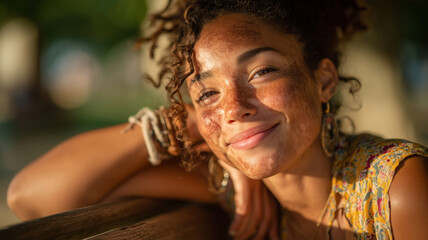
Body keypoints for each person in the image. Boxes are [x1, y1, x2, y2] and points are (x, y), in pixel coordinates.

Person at [7, 0, 428, 239]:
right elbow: (31, 196)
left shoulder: (399, 190)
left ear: (323, 79)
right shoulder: (229, 187)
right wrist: (192, 124)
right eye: (208, 93)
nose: (233, 107)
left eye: (262, 72)